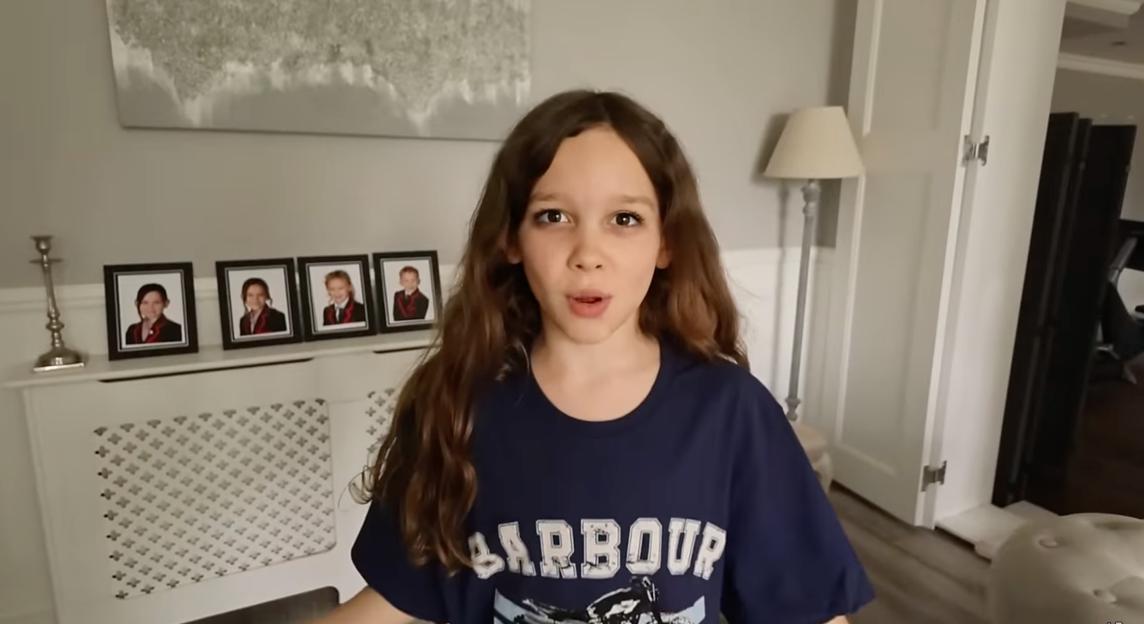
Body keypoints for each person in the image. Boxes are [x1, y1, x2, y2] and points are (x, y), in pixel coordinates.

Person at [321, 91, 873, 624]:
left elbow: (805, 610)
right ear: (511, 239)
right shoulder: (458, 405)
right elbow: (396, 599)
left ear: (665, 243)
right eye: (553, 217)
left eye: (624, 219)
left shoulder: (731, 413)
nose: (588, 254)